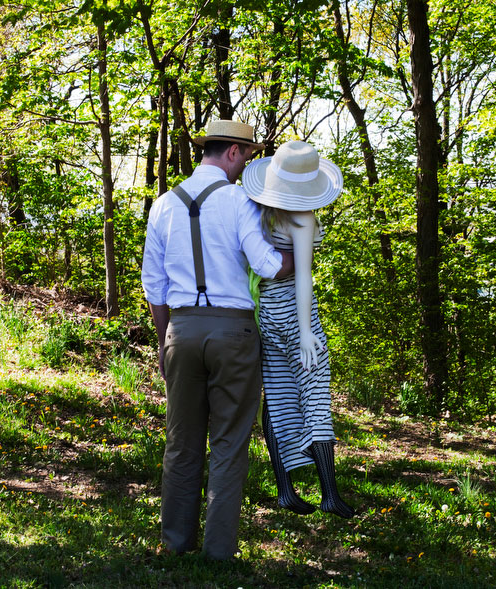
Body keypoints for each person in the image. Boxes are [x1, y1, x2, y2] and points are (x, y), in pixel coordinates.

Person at [141, 120, 294, 560]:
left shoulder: (164, 204)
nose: (245, 164)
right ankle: (218, 554)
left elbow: (154, 285)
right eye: (245, 156)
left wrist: (164, 338)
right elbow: (266, 266)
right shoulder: (238, 201)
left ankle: (175, 544)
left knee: (181, 441)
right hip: (234, 332)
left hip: (181, 330)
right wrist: (296, 255)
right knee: (228, 443)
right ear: (232, 152)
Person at [241, 140, 354, 519]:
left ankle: (286, 491)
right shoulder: (302, 216)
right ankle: (330, 495)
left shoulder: (260, 209)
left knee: (276, 396)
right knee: (315, 397)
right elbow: (303, 275)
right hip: (294, 315)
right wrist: (306, 330)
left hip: (264, 314)